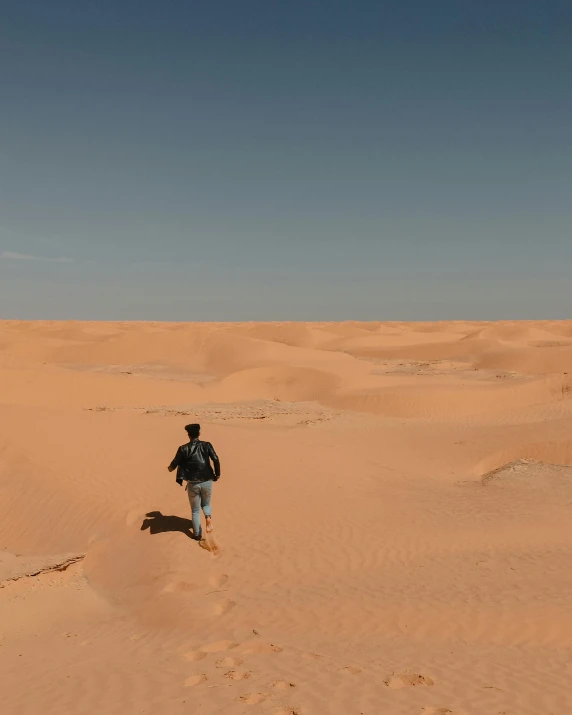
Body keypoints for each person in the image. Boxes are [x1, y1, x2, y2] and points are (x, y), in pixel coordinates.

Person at [167, 423, 221, 540]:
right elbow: (215, 459)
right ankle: (208, 518)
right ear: (199, 434)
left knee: (195, 510)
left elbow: (174, 464)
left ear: (188, 435)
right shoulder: (206, 445)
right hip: (207, 480)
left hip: (193, 483)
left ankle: (197, 535)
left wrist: (170, 469)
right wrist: (217, 474)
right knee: (206, 504)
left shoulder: (183, 448)